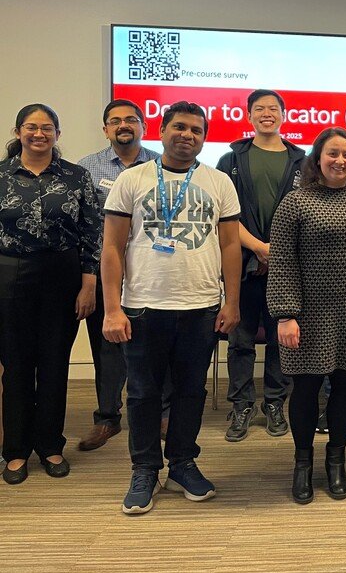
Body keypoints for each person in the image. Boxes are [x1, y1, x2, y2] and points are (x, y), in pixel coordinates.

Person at [102, 101, 242, 514]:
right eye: (179, 127)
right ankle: (144, 468)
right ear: (161, 131)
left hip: (200, 305)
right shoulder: (132, 179)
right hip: (144, 305)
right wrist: (113, 308)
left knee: (190, 391)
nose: (187, 136)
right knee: (143, 393)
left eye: (196, 130)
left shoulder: (219, 183)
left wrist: (230, 301)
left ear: (204, 137)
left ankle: (182, 462)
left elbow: (231, 245)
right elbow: (111, 246)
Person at [268, 128, 346, 504]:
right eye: (332, 153)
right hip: (307, 314)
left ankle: (335, 461)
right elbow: (282, 261)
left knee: (344, 387)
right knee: (305, 389)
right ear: (317, 158)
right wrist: (285, 314)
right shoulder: (295, 202)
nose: (340, 160)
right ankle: (303, 462)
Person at [0, 104, 101, 485]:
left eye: (46, 128)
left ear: (57, 133)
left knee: (55, 363)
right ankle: (15, 451)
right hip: (9, 274)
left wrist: (88, 284)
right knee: (16, 364)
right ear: (18, 131)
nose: (38, 134)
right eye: (31, 127)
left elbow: (93, 234)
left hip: (63, 275)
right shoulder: (0, 176)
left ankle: (50, 445)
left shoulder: (77, 177)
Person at [216, 89, 304, 442]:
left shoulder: (302, 161)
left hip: (287, 268)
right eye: (259, 109)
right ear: (249, 116)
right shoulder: (231, 160)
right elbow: (224, 215)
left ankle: (274, 403)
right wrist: (259, 247)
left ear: (284, 114)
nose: (266, 114)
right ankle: (241, 406)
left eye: (273, 108)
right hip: (242, 263)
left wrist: (277, 253)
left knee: (281, 339)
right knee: (240, 339)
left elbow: (305, 214)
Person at [77, 99, 161, 453]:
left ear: (143, 125)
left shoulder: (161, 164)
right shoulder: (87, 168)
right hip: (103, 269)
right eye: (115, 121)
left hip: (151, 270)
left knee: (155, 345)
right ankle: (107, 417)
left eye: (131, 119)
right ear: (106, 129)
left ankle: (159, 415)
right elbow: (82, 226)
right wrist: (88, 277)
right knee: (107, 345)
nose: (123, 125)